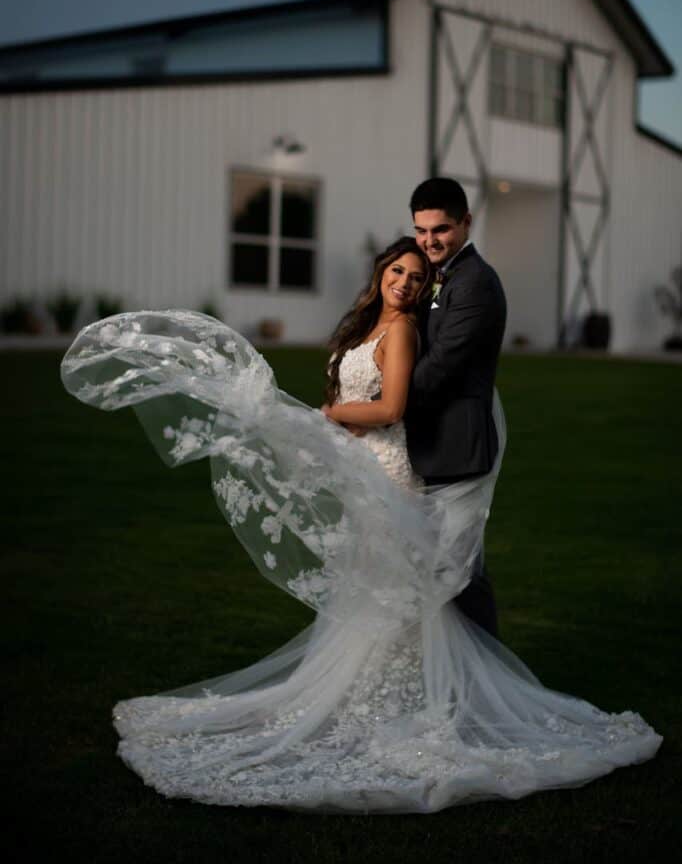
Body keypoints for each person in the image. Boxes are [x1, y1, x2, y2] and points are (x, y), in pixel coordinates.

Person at [59, 238, 661, 813]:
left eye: (416, 277)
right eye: (397, 272)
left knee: (393, 593)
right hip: (362, 466)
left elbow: (392, 409)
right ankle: (372, 693)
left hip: (390, 472)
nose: (404, 283)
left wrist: (328, 416)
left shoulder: (400, 331)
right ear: (380, 275)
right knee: (369, 586)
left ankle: (407, 700)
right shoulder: (365, 326)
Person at [407, 177, 506, 637]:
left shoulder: (476, 283)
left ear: (466, 222)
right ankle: (451, 675)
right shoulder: (435, 275)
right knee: (430, 567)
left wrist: (381, 407)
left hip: (458, 446)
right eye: (421, 230)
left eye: (441, 229)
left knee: (459, 574)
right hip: (429, 444)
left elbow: (442, 365)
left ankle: (487, 678)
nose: (430, 240)